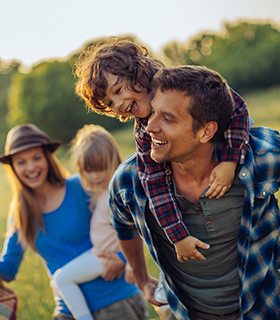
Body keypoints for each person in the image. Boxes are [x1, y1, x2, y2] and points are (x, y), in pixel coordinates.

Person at [109, 65, 280, 320]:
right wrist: (142, 278)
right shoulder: (129, 181)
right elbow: (123, 226)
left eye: (167, 118)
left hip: (264, 308)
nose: (149, 127)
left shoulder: (260, 156)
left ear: (206, 131)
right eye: (152, 112)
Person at [74, 38, 250, 265]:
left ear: (140, 71)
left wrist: (230, 161)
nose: (117, 104)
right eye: (109, 103)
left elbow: (237, 107)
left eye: (118, 90)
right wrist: (178, 236)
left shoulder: (181, 84)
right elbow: (154, 184)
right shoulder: (143, 133)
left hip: (225, 149)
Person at [0, 124, 149, 320]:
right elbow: (8, 269)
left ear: (47, 158)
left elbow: (129, 222)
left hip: (115, 303)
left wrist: (124, 259)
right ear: (13, 168)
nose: (30, 167)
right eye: (21, 162)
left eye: (37, 158)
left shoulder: (82, 187)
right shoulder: (20, 213)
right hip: (68, 311)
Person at [52, 124, 135, 320]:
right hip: (99, 252)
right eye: (88, 170)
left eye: (100, 168)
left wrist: (131, 264)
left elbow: (137, 227)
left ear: (113, 161)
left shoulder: (115, 194)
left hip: (106, 256)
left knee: (62, 279)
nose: (95, 175)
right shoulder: (99, 191)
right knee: (58, 281)